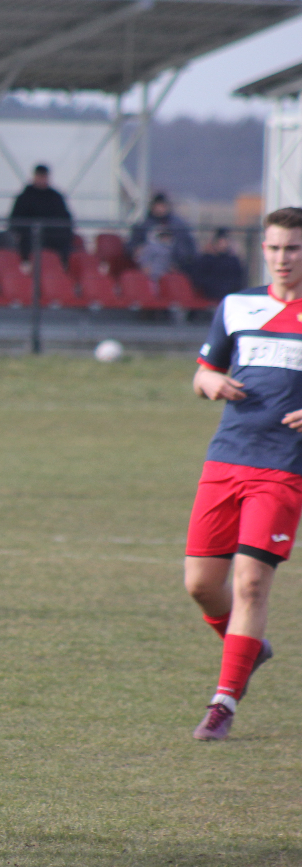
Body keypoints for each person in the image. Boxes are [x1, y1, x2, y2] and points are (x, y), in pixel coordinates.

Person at [182, 206, 302, 741]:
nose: (282, 258)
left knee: (252, 584)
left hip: (283, 468)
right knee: (202, 587)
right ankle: (249, 650)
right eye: (275, 248)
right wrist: (207, 383)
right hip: (226, 458)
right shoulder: (237, 306)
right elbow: (206, 369)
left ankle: (222, 704)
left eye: (293, 249)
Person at [8, 164, 73, 263]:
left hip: (55, 239)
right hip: (30, 238)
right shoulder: (24, 197)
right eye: (40, 176)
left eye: (44, 176)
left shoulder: (56, 197)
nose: (42, 179)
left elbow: (66, 219)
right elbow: (15, 220)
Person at [128, 193, 196, 281]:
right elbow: (132, 246)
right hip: (149, 265)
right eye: (157, 206)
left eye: (162, 206)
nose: (159, 209)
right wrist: (136, 251)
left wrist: (178, 264)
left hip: (174, 264)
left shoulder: (178, 226)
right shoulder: (143, 226)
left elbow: (188, 248)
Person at [190, 229, 245, 301]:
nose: (222, 245)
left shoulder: (233, 261)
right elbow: (199, 279)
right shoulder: (206, 259)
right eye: (220, 242)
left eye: (224, 242)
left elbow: (239, 279)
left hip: (230, 293)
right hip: (210, 295)